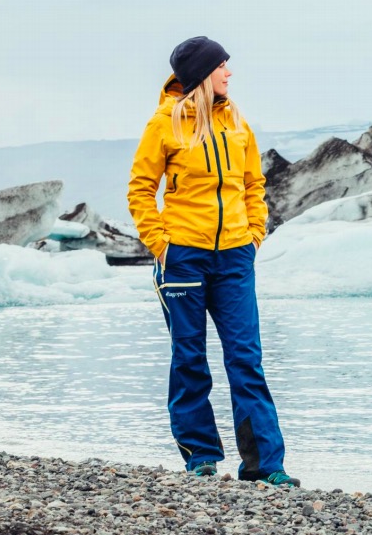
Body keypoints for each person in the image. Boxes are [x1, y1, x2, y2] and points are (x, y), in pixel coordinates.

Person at [127, 36, 299, 487]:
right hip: (183, 257)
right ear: (203, 73)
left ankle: (264, 465)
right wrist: (161, 245)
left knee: (246, 359)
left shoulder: (237, 123)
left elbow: (253, 185)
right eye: (223, 65)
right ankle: (200, 456)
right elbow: (141, 190)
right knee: (189, 358)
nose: (229, 73)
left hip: (235, 258)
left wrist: (254, 235)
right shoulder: (164, 124)